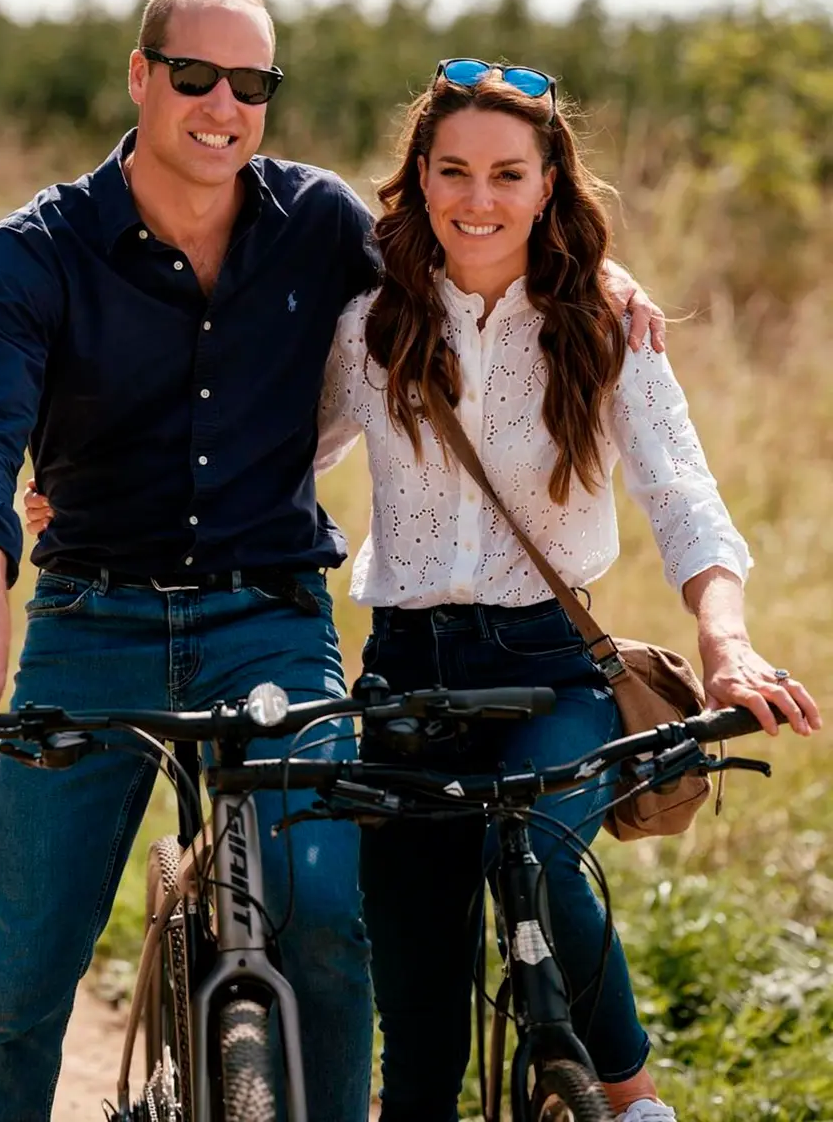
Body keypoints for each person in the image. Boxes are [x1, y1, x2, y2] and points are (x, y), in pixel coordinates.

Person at [0, 0, 662, 1122]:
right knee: (21, 985)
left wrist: (591, 267)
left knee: (324, 915)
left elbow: (472, 250)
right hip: (87, 624)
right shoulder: (33, 254)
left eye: (250, 82)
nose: (222, 104)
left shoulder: (314, 225)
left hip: (268, 620)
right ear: (140, 74)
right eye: (194, 75)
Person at [305, 59, 821, 1122]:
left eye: (505, 173)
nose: (477, 199)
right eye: (452, 171)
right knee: (418, 1034)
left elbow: (680, 493)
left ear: (547, 185)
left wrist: (722, 640)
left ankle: (631, 1104)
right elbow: (277, 462)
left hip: (552, 669)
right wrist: (90, 497)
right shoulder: (370, 328)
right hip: (403, 677)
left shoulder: (601, 323)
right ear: (420, 178)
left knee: (539, 848)